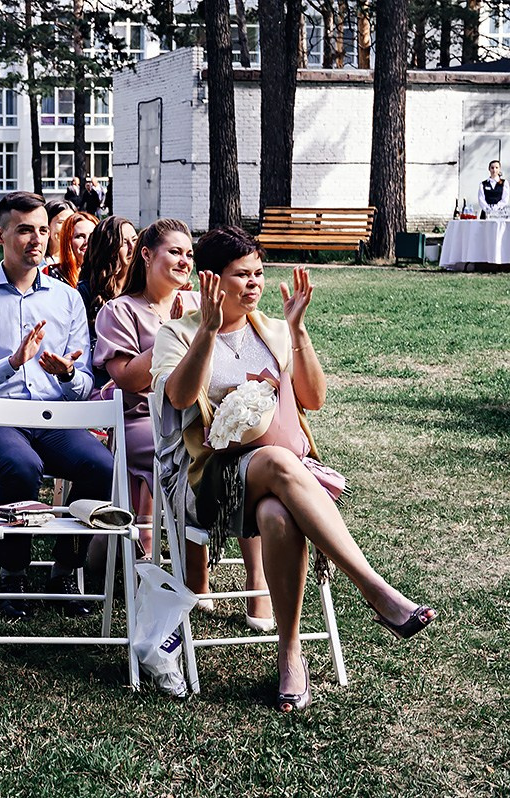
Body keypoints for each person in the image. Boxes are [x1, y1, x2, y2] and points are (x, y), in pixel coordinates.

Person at [152, 225, 437, 712]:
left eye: (259, 273)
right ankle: (374, 588)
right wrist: (206, 330)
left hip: (277, 481)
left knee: (277, 517)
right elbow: (179, 398)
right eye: (241, 275)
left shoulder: (275, 330)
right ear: (212, 281)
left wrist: (299, 330)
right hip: (206, 481)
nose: (254, 284)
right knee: (280, 462)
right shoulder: (176, 334)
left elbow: (313, 399)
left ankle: (290, 656)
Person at [0, 191, 115, 619]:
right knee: (22, 466)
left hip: (55, 420)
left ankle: (64, 570)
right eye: (24, 230)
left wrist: (67, 375)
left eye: (42, 230)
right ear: (0, 235)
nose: (36, 239)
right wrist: (10, 364)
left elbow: (84, 384)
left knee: (102, 466)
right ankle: (12, 574)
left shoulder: (67, 298)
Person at [88, 218, 265, 625]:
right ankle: (191, 574)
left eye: (189, 253)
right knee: (204, 454)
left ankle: (257, 581)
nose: (184, 260)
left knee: (242, 452)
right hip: (142, 421)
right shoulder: (121, 310)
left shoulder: (201, 302)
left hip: (208, 417)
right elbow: (130, 379)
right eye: (174, 251)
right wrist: (183, 334)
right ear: (147, 254)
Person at [78, 216, 138, 336]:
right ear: (109, 248)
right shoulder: (85, 291)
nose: (132, 248)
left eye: (135, 240)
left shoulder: (142, 284)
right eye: (124, 243)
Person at [54, 210, 97, 288]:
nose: (87, 241)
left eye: (92, 236)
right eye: (80, 236)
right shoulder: (54, 276)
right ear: (68, 241)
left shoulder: (107, 274)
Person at [44, 199, 76, 266]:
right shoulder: (37, 262)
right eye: (61, 222)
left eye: (71, 223)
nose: (67, 228)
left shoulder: (80, 259)